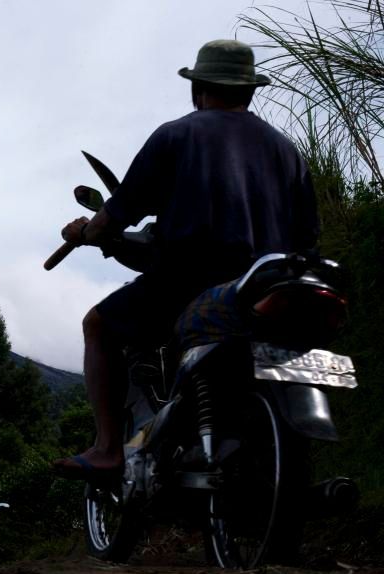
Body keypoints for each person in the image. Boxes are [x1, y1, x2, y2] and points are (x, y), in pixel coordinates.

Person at [52, 39, 319, 479]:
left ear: (198, 88)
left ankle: (107, 449)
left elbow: (116, 214)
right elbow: (309, 239)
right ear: (249, 91)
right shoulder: (288, 152)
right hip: (270, 288)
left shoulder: (177, 135)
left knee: (97, 324)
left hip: (189, 286)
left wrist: (85, 232)